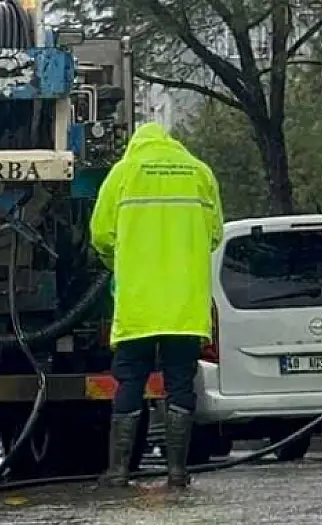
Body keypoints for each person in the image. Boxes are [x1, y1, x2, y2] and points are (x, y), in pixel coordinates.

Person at [90, 122, 224, 489]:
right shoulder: (199, 172)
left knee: (130, 381)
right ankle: (177, 471)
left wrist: (119, 261)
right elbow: (215, 234)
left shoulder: (124, 173)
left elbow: (100, 235)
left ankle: (118, 471)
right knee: (180, 383)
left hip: (138, 305)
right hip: (184, 305)